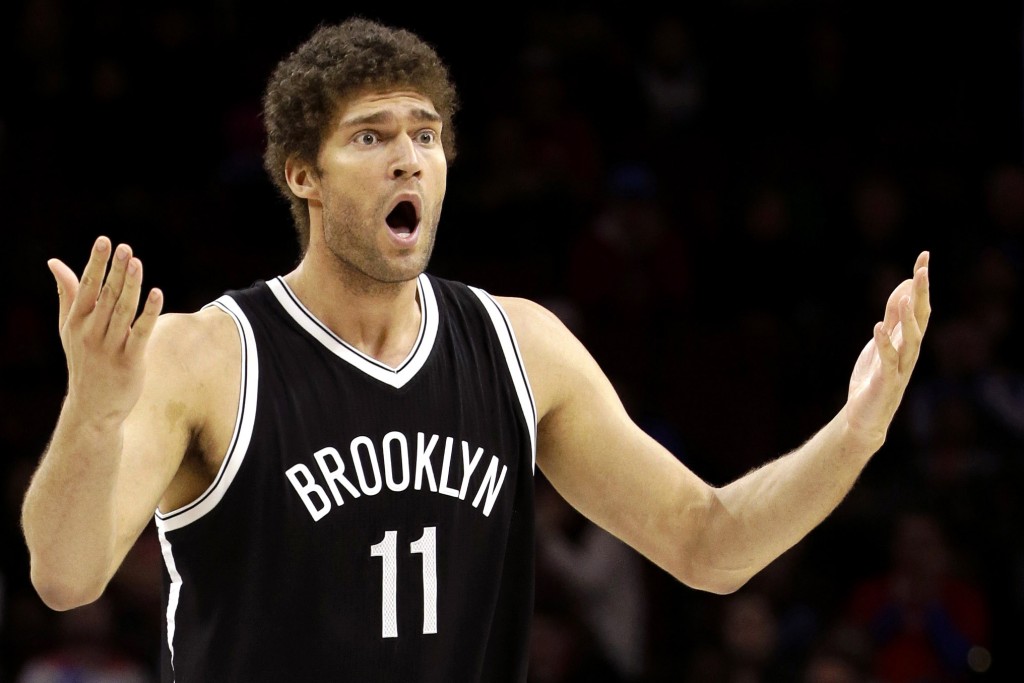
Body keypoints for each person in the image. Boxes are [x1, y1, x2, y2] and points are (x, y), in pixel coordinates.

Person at [20, 16, 931, 683]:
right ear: (301, 173)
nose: (409, 158)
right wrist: (93, 413)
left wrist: (855, 432)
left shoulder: (521, 345)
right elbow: (65, 577)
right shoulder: (204, 355)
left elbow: (711, 543)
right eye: (371, 137)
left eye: (425, 134)